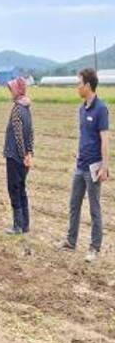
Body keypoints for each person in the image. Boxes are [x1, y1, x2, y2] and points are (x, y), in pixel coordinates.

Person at [59, 68, 110, 262]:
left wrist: (105, 167)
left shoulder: (101, 109)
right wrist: (78, 152)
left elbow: (104, 140)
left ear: (88, 86)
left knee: (94, 208)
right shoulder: (82, 109)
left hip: (94, 167)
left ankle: (94, 248)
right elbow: (85, 137)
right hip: (80, 166)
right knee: (74, 204)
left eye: (79, 83)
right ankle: (71, 241)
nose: (77, 87)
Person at [3, 77, 34, 235]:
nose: (11, 91)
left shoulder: (16, 109)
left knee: (14, 189)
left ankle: (17, 225)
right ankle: (25, 224)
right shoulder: (27, 108)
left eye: (12, 89)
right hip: (24, 157)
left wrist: (22, 155)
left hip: (15, 156)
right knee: (21, 189)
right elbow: (30, 133)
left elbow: (18, 135)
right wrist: (29, 153)